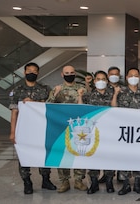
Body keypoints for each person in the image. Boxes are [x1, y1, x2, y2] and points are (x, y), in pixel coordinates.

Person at [9, 62, 56, 194]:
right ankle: (27, 182)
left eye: (34, 71)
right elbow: (14, 112)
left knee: (44, 154)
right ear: (24, 72)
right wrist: (12, 132)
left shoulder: (45, 89)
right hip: (24, 129)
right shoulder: (17, 90)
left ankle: (46, 180)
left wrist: (33, 103)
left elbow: (50, 106)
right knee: (23, 155)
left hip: (41, 128)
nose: (31, 73)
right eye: (29, 70)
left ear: (38, 73)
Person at [46, 65, 88, 193]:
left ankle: (78, 181)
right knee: (62, 153)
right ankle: (64, 181)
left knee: (79, 152)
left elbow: (86, 107)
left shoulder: (82, 89)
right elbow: (48, 106)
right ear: (62, 74)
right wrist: (56, 94)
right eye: (67, 72)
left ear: (75, 73)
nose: (69, 74)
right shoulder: (57, 89)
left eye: (72, 72)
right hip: (61, 128)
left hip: (79, 128)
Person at [111, 67, 140, 195]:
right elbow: (114, 108)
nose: (133, 77)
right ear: (126, 77)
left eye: (136, 75)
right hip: (124, 130)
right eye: (131, 75)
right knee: (124, 156)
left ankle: (137, 183)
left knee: (139, 156)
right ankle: (125, 184)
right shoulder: (121, 91)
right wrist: (115, 94)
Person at [80, 71, 116, 194]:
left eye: (103, 79)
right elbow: (81, 110)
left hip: (109, 131)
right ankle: (94, 182)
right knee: (93, 156)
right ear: (94, 81)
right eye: (98, 79)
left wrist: (115, 95)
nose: (101, 81)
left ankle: (109, 181)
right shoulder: (88, 96)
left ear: (107, 81)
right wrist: (80, 96)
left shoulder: (113, 94)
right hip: (93, 131)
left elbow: (117, 109)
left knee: (109, 156)